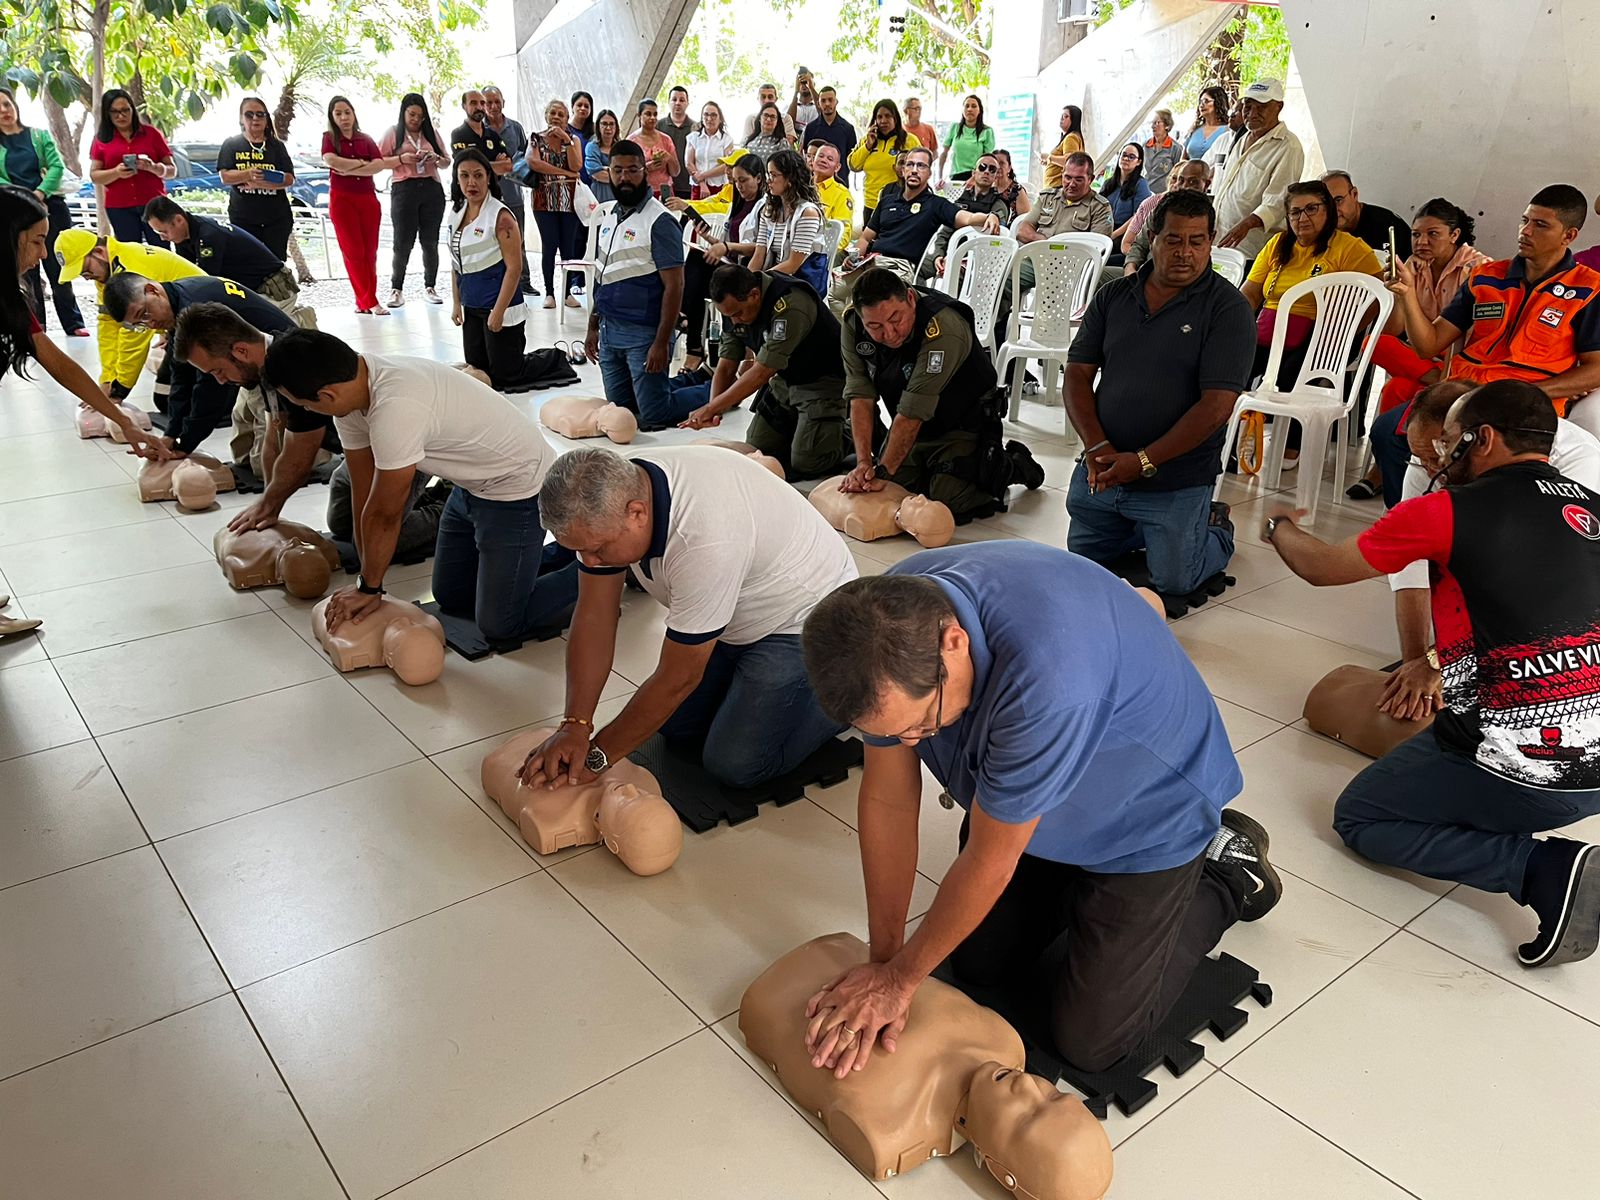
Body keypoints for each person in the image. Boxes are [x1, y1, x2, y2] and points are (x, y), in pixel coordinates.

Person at [796, 542, 1279, 1076]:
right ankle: (1082, 894)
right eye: (892, 733)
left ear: (953, 643)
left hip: (1147, 814)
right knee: (978, 963)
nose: (910, 743)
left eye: (922, 723)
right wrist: (885, 961)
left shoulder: (1047, 683)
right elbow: (888, 800)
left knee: (1090, 1044)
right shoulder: (886, 620)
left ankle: (1223, 868)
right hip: (1042, 807)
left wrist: (900, 983)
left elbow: (988, 860)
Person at [1262, 380, 1600, 968]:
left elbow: (1320, 568)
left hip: (1532, 770)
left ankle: (1543, 869)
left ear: (1484, 439)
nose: (1437, 461)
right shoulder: (1593, 508)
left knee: (1362, 815)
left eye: (1447, 445)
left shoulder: (1446, 511)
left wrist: (1280, 527)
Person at [522, 445, 857, 791]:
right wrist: (575, 725)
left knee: (734, 764)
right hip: (738, 617)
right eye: (580, 550)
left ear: (637, 513)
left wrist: (597, 757)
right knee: (676, 728)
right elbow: (594, 616)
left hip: (809, 621)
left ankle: (855, 688)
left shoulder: (704, 538)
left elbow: (679, 677)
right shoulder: (615, 487)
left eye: (597, 549)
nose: (589, 561)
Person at [264, 327, 580, 645]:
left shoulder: (395, 407)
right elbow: (365, 495)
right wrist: (366, 579)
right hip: (470, 487)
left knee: (502, 624)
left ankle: (606, 566)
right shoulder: (352, 395)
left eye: (303, 404)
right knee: (453, 595)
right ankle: (552, 559)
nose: (305, 411)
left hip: (518, 490)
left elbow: (387, 513)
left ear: (327, 395)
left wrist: (369, 588)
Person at [1375, 379, 1600, 726]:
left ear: (1478, 439)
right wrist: (1414, 662)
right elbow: (1410, 566)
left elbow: (1532, 587)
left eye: (1439, 455)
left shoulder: (1575, 461)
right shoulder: (1432, 456)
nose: (1432, 469)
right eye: (1423, 458)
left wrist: (1437, 663)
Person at [1064, 190, 1256, 597]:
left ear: (1211, 241)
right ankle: (1141, 527)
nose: (1185, 252)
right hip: (1104, 466)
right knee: (1083, 561)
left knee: (1174, 581)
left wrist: (1144, 461)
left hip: (1176, 477)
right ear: (1152, 237)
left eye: (1197, 241)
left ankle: (1214, 526)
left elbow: (1217, 406)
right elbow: (1077, 375)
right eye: (1173, 240)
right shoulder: (1114, 295)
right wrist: (1097, 446)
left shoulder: (1229, 309)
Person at [841, 266, 1043, 522]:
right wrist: (864, 464)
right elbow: (860, 396)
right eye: (875, 326)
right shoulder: (852, 325)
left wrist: (882, 473)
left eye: (895, 320)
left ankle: (1011, 465)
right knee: (899, 490)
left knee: (948, 500)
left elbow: (913, 412)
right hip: (915, 424)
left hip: (962, 423)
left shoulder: (942, 326)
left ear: (911, 299)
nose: (889, 334)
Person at [1388, 184, 1600, 407]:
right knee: (1388, 426)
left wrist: (1534, 392)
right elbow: (1428, 346)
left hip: (1524, 404)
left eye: (1540, 225)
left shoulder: (1587, 290)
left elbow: (1595, 369)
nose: (1525, 231)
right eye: (1524, 220)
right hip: (1465, 390)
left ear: (1568, 235)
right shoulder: (1486, 277)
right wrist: (1407, 292)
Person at [0, 188, 167, 461]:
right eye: (37, 241)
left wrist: (122, 420)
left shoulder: (9, 297)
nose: (43, 255)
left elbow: (58, 364)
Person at [1356, 199, 1492, 504]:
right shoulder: (1415, 267)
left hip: (1459, 360)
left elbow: (1472, 339)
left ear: (1455, 235)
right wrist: (1401, 291)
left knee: (1397, 388)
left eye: (1433, 234)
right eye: (1416, 235)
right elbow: (1393, 332)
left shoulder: (1478, 268)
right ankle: (1433, 384)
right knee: (1373, 342)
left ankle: (1382, 473)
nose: (1421, 242)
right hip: (1426, 358)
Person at [1241, 178, 1383, 461]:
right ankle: (1232, 432)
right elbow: (1250, 292)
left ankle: (1286, 443)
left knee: (1294, 369)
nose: (1302, 217)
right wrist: (1234, 327)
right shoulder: (1278, 244)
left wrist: (1345, 329)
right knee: (1231, 360)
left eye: (1311, 209)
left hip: (1323, 337)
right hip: (1271, 330)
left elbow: (1377, 297)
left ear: (1327, 211)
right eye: (1295, 212)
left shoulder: (1349, 247)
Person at [169, 302, 340, 526]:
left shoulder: (295, 365)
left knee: (375, 526)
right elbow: (273, 438)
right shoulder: (266, 367)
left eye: (218, 370)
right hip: (357, 446)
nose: (220, 380)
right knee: (342, 521)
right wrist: (267, 504)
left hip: (384, 449)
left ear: (241, 351)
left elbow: (301, 456)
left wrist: (269, 507)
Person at [103, 269, 299, 455]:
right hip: (247, 364)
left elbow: (211, 387)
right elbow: (180, 374)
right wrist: (172, 434)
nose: (151, 324)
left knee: (271, 455)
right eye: (140, 324)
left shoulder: (193, 308)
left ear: (152, 290)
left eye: (144, 314)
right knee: (243, 441)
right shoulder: (178, 302)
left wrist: (186, 445)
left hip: (283, 362)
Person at [684, 262, 848, 479]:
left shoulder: (790, 303)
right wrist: (715, 409)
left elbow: (763, 371)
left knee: (808, 462)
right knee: (758, 448)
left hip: (823, 380)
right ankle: (809, 431)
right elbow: (726, 364)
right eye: (729, 315)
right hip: (786, 380)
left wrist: (712, 406)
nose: (734, 320)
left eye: (738, 313)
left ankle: (848, 431)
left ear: (754, 294)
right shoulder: (731, 306)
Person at [449, 148, 570, 393]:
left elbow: (515, 268)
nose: (471, 182)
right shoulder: (456, 212)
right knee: (479, 370)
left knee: (507, 377)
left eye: (478, 175)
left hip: (501, 305)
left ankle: (556, 357)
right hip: (473, 306)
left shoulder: (501, 216)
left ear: (488, 178)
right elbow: (455, 263)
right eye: (464, 176)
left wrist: (498, 312)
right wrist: (456, 303)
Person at [586, 140, 688, 429]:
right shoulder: (609, 217)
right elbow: (602, 275)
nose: (624, 177)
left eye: (632, 170)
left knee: (654, 415)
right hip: (610, 331)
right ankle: (681, 382)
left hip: (644, 334)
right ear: (610, 171)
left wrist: (660, 343)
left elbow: (675, 286)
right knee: (622, 412)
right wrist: (593, 326)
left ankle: (714, 389)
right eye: (618, 171)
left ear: (645, 172)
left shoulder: (660, 221)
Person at [53, 228, 203, 403]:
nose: (86, 278)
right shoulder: (108, 272)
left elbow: (134, 337)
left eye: (85, 270)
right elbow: (108, 325)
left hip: (204, 321)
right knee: (165, 398)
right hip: (178, 324)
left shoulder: (131, 269)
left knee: (178, 399)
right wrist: (108, 380)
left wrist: (118, 390)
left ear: (100, 252)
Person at [840, 146, 1001, 299]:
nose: (915, 170)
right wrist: (856, 257)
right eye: (910, 164)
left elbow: (968, 218)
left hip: (901, 269)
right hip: (872, 262)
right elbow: (866, 238)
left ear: (929, 173)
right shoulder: (887, 201)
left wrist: (990, 216)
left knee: (868, 295)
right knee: (836, 289)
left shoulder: (936, 204)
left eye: (921, 166)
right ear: (903, 170)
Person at [997, 152, 1113, 336]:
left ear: (1090, 179)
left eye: (1079, 179)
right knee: (1004, 278)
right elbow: (1023, 229)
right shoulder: (1047, 197)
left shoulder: (1099, 207)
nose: (1071, 183)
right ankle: (1002, 336)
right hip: (1037, 261)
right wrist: (1045, 242)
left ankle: (1054, 349)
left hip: (1072, 269)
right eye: (1067, 177)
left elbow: (1097, 249)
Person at [0, 87, 86, 335]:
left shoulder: (38, 135)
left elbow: (56, 167)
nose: (4, 111)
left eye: (7, 104)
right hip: (16, 213)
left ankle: (74, 323)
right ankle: (37, 327)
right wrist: (24, 199)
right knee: (27, 270)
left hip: (51, 208)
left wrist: (39, 194)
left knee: (58, 264)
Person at [142, 195, 308, 322]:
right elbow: (185, 280)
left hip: (273, 289)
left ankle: (299, 323)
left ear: (178, 220)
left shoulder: (208, 236)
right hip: (250, 290)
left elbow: (203, 283)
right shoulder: (184, 237)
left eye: (163, 232)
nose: (163, 238)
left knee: (256, 336)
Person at [670, 151, 766, 371]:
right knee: (695, 260)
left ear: (759, 179)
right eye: (735, 181)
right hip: (730, 262)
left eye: (744, 181)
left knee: (697, 269)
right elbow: (726, 243)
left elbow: (758, 247)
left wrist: (725, 247)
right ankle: (693, 340)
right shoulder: (738, 204)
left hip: (749, 267)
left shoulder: (764, 206)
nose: (739, 186)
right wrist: (708, 238)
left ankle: (690, 334)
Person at [321, 95, 397, 316]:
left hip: (367, 199)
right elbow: (332, 161)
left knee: (369, 251)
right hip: (342, 199)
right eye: (338, 113)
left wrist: (351, 167)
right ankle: (369, 300)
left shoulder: (366, 138)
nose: (344, 117)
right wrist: (363, 165)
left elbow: (379, 165)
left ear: (354, 113)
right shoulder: (329, 138)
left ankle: (363, 301)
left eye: (347, 112)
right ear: (332, 117)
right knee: (353, 251)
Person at [1213, 79, 1304, 258]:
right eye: (1248, 107)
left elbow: (1278, 202)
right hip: (1220, 239)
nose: (1252, 113)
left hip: (1252, 249)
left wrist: (1246, 224)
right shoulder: (1243, 137)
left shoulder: (1288, 146)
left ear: (1279, 107)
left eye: (1261, 107)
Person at [378, 93, 449, 308]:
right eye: (412, 114)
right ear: (404, 113)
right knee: (402, 243)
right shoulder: (393, 133)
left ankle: (430, 286)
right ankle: (396, 289)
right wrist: (402, 159)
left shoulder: (431, 134)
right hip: (404, 189)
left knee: (430, 242)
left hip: (431, 189)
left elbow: (447, 161)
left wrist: (435, 159)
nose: (415, 119)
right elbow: (378, 160)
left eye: (420, 116)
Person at [87, 88, 173, 245]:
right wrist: (116, 172)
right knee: (130, 254)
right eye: (115, 112)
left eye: (125, 110)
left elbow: (172, 171)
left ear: (133, 109)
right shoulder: (101, 139)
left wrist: (153, 167)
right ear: (107, 113)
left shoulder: (151, 134)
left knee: (161, 250)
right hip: (119, 207)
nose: (121, 116)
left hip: (154, 204)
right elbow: (94, 176)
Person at [216, 96, 297, 261]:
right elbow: (225, 176)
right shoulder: (231, 144)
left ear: (267, 118)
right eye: (249, 114)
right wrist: (248, 174)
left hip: (276, 217)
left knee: (275, 263)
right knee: (247, 262)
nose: (255, 119)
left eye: (260, 114)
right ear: (241, 118)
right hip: (243, 217)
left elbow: (289, 178)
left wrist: (262, 183)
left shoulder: (276, 145)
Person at [524, 97, 584, 310]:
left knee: (568, 247)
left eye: (561, 114)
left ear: (567, 118)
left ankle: (567, 292)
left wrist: (566, 141)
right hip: (543, 200)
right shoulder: (535, 138)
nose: (557, 117)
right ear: (546, 115)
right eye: (553, 113)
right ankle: (549, 292)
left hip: (569, 200)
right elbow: (534, 163)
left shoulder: (574, 140)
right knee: (549, 246)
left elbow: (577, 164)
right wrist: (566, 173)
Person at [749, 149, 828, 293]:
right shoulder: (770, 210)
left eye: (774, 175)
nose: (768, 180)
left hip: (798, 284)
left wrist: (759, 282)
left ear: (790, 178)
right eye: (768, 174)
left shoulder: (808, 213)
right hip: (774, 277)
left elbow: (793, 264)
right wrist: (747, 281)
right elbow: (759, 253)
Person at [926, 153, 1011, 281]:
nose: (986, 172)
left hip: (976, 263)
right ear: (974, 173)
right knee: (917, 266)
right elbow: (945, 232)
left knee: (955, 276)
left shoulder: (999, 203)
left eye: (992, 169)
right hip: (948, 255)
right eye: (982, 167)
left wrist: (961, 259)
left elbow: (997, 235)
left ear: (995, 177)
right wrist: (938, 255)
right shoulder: (960, 198)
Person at [484, 85, 534, 296]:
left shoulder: (515, 127)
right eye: (489, 102)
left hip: (514, 194)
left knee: (518, 238)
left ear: (503, 102)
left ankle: (524, 281)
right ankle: (496, 282)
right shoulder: (479, 129)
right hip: (489, 196)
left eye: (497, 101)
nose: (494, 106)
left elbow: (523, 156)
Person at [1120, 158, 1212, 273]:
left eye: (1193, 182)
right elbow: (1138, 245)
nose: (1185, 186)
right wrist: (1130, 268)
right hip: (1143, 272)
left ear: (1206, 184)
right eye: (1181, 180)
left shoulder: (1207, 218)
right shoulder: (1160, 209)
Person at [849, 101, 920, 222]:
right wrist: (868, 146)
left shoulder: (909, 140)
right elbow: (854, 165)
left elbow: (921, 169)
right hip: (871, 205)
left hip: (899, 203)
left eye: (888, 116)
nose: (883, 120)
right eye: (879, 117)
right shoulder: (867, 140)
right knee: (870, 240)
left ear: (895, 118)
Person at [1321, 169, 1410, 263]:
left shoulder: (1386, 224)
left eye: (1338, 200)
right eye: (1326, 204)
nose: (1333, 210)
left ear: (1354, 194)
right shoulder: (1324, 234)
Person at [449, 89, 516, 178]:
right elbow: (466, 167)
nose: (479, 107)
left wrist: (479, 165)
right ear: (464, 106)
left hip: (493, 189)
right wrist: (496, 165)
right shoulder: (458, 134)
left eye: (482, 103)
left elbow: (508, 166)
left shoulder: (492, 134)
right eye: (473, 103)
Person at [1100, 143, 1153, 255]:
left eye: (1131, 157)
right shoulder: (1109, 183)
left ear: (1138, 162)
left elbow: (1138, 216)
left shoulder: (1141, 184)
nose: (1126, 159)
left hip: (1125, 234)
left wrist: (1113, 235)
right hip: (1104, 228)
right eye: (1123, 155)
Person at [801, 86, 857, 187]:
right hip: (815, 184)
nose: (827, 104)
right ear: (818, 104)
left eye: (830, 100)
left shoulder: (848, 129)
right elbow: (807, 155)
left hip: (840, 183)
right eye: (823, 101)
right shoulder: (811, 128)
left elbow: (851, 159)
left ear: (836, 102)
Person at [806, 142, 854, 254]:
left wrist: (825, 254)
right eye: (821, 156)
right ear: (813, 160)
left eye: (830, 159)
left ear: (837, 167)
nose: (823, 160)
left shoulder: (842, 194)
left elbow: (844, 233)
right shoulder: (801, 186)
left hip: (820, 254)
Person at [629, 98, 681, 199]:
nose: (652, 118)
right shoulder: (631, 141)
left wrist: (669, 158)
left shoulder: (666, 139)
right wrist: (646, 168)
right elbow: (628, 174)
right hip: (642, 192)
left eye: (655, 114)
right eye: (648, 114)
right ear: (639, 116)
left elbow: (675, 172)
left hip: (665, 191)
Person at [940, 95, 994, 184]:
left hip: (976, 178)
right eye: (967, 106)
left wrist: (973, 178)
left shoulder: (987, 131)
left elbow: (987, 160)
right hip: (956, 177)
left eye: (974, 106)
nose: (969, 109)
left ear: (979, 110)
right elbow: (944, 153)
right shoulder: (955, 127)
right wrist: (940, 177)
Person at [687, 102, 733, 199]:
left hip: (719, 187)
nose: (709, 118)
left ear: (720, 119)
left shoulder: (726, 139)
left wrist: (702, 175)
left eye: (713, 115)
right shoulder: (694, 137)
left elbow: (727, 164)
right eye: (706, 114)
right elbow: (689, 163)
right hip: (698, 186)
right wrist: (702, 183)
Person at [661, 86, 695, 200]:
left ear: (687, 103)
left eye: (682, 100)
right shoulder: (658, 126)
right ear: (668, 102)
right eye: (674, 99)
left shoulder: (696, 128)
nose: (678, 103)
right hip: (665, 185)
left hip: (688, 185)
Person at [1041, 105, 1084, 191]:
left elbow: (1070, 161)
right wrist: (1049, 163)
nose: (1061, 119)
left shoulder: (1071, 138)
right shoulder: (1070, 137)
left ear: (1074, 120)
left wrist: (1050, 158)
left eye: (1065, 116)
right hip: (1054, 188)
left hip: (1058, 189)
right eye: (1061, 116)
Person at [584, 109, 622, 205]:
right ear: (598, 126)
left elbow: (629, 172)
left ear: (616, 127)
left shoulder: (621, 146)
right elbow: (597, 174)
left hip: (620, 194)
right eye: (604, 124)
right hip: (599, 195)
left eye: (611, 124)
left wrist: (606, 169)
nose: (608, 127)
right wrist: (617, 172)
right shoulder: (592, 147)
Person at [1184, 86, 1231, 162]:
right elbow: (1183, 158)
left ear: (1218, 103)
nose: (1201, 105)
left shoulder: (1228, 130)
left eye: (1206, 101)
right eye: (1200, 102)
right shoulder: (1194, 130)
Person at [1143, 109, 1181, 194]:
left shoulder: (1175, 148)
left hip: (1165, 193)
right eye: (1152, 123)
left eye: (1157, 123)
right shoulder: (1145, 146)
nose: (1153, 126)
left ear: (1167, 126)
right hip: (1146, 192)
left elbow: (1178, 174)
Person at [991, 149, 1031, 223]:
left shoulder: (1017, 190)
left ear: (1009, 168)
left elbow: (1025, 219)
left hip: (1010, 231)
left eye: (1002, 163)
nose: (998, 167)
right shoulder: (986, 186)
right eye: (995, 163)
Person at [568, 90, 596, 179]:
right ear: (572, 107)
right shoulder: (565, 130)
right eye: (579, 105)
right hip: (573, 178)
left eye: (587, 106)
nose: (583, 108)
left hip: (593, 179)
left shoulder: (596, 130)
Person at [903, 97, 938, 165]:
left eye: (920, 109)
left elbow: (935, 152)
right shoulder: (899, 130)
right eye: (916, 109)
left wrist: (925, 164)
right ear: (906, 111)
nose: (919, 111)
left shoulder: (928, 129)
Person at [788, 68, 821, 133]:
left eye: (806, 82)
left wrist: (811, 88)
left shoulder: (818, 106)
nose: (804, 85)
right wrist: (796, 92)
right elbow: (788, 125)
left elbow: (826, 116)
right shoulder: (790, 107)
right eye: (801, 82)